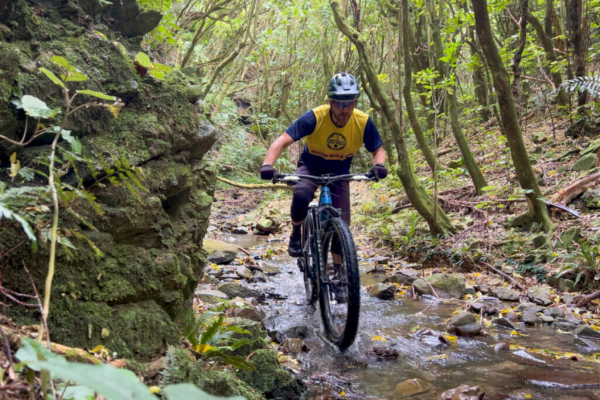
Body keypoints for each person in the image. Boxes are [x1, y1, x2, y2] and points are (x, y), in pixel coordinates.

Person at [260, 72, 387, 257]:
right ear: (330, 102)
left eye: (349, 103)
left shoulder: (363, 122)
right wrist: (267, 165)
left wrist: (379, 165)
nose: (345, 109)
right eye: (340, 103)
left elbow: (378, 150)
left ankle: (340, 274)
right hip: (311, 165)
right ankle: (296, 232)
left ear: (355, 102)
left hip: (340, 171)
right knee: (302, 194)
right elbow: (282, 141)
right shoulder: (315, 117)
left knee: (342, 224)